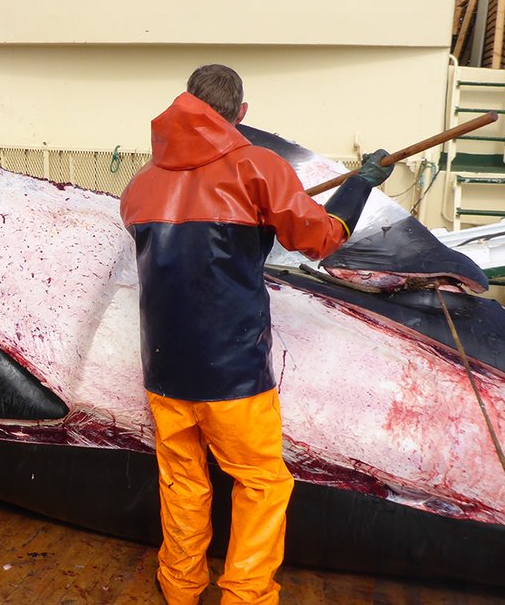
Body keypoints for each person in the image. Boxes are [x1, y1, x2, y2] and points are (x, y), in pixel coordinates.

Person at [119, 64, 392, 605]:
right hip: (234, 371)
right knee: (263, 483)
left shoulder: (141, 184)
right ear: (241, 113)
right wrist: (360, 184)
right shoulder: (259, 168)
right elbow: (319, 240)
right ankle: (245, 595)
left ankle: (179, 587)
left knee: (182, 480)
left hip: (164, 367)